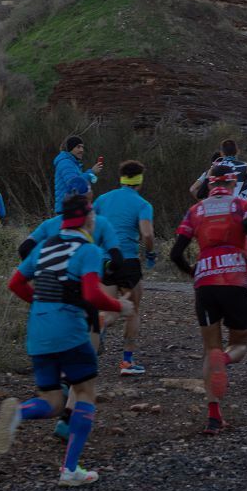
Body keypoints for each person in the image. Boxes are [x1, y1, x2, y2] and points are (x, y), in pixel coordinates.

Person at [0, 195, 134, 486]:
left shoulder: (44, 246)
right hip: (69, 330)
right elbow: (93, 294)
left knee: (53, 401)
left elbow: (14, 283)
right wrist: (121, 306)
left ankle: (17, 414)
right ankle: (70, 469)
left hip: (38, 331)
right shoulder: (88, 250)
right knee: (84, 393)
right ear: (88, 220)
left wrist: (41, 304)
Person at [170, 164, 247, 435]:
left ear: (210, 185)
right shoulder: (243, 206)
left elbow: (176, 253)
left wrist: (193, 271)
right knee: (239, 346)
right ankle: (224, 359)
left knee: (209, 349)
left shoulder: (196, 210)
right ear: (234, 184)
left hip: (206, 283)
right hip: (235, 280)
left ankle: (214, 417)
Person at [93, 160, 156, 376]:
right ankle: (127, 363)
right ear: (140, 180)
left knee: (109, 310)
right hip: (128, 261)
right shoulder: (142, 204)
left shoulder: (102, 199)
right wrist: (150, 252)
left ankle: (96, 330)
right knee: (132, 311)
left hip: (104, 260)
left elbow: (90, 225)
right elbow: (147, 234)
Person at [53, 135, 104, 212]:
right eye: (78, 147)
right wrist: (92, 172)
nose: (82, 150)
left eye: (82, 147)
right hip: (66, 210)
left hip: (71, 207)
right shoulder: (65, 163)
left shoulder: (73, 163)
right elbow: (74, 184)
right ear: (70, 149)